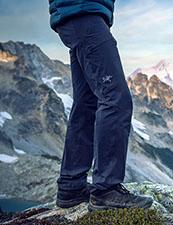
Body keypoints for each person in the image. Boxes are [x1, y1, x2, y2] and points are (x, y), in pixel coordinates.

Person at [48, 0, 153, 211]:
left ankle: (72, 186)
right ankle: (106, 190)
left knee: (88, 102)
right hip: (84, 12)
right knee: (116, 98)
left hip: (75, 14)